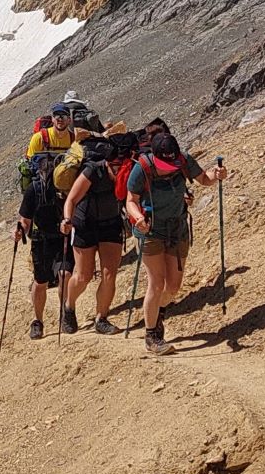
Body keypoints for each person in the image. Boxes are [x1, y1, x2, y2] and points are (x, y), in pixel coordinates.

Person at [124, 128, 225, 355]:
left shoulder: (183, 160)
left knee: (173, 287)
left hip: (177, 228)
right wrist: (138, 217)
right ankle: (152, 336)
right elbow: (130, 200)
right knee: (157, 283)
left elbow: (204, 179)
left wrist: (216, 175)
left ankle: (158, 312)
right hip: (150, 230)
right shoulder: (142, 167)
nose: (171, 169)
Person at [58, 121, 130, 332]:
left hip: (110, 224)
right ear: (106, 162)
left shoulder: (126, 171)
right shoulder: (92, 170)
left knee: (109, 274)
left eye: (119, 165)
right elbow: (71, 199)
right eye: (113, 166)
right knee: (83, 276)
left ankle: (101, 319)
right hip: (84, 224)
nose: (116, 169)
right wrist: (67, 220)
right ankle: (69, 307)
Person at [16, 114, 73, 338]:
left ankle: (64, 315)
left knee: (65, 274)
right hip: (44, 238)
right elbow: (25, 218)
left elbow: (26, 220)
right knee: (41, 281)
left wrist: (23, 229)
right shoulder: (39, 189)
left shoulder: (50, 188)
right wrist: (21, 229)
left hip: (55, 236)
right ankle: (38, 320)